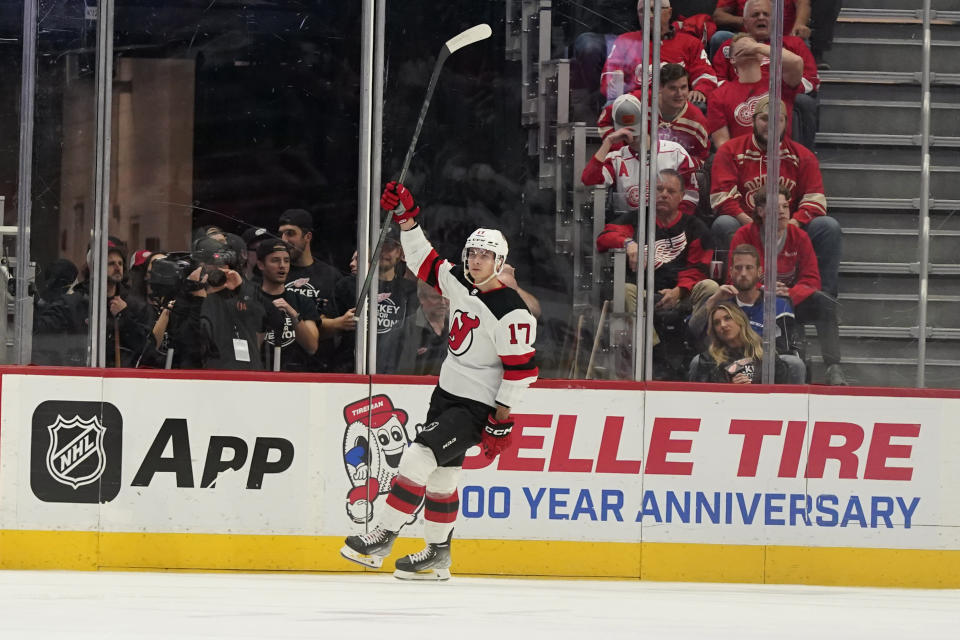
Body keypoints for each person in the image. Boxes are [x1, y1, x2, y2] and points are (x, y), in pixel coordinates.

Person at [341, 181, 538, 581]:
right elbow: (421, 258)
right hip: (446, 395)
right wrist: (407, 219)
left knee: (417, 457)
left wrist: (501, 419)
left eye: (486, 255)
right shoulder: (459, 280)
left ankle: (384, 535)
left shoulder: (512, 310)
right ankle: (437, 553)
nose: (477, 260)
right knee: (444, 476)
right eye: (473, 253)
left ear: (500, 262)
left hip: (476, 406)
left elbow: (521, 372)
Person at [710, 95, 841, 299]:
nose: (770, 125)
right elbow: (722, 198)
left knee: (827, 226)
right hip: (747, 230)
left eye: (777, 119)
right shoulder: (730, 151)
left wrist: (790, 226)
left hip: (790, 230)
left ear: (786, 124)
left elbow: (815, 200)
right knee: (724, 223)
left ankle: (823, 300)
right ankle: (736, 295)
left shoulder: (803, 156)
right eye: (764, 119)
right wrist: (752, 225)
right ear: (753, 121)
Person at [596, 169, 715, 379]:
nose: (664, 194)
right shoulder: (635, 219)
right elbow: (604, 238)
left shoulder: (695, 227)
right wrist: (628, 243)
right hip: (644, 296)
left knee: (711, 288)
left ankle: (697, 345)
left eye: (671, 191)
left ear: (681, 196)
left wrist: (679, 292)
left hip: (682, 295)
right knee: (624, 291)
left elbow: (699, 268)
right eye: (659, 189)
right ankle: (655, 354)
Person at [730, 188, 847, 384]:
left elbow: (812, 279)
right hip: (756, 302)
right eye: (776, 207)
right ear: (760, 211)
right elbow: (732, 276)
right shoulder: (744, 235)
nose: (783, 212)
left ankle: (833, 366)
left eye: (785, 206)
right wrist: (761, 290)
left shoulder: (799, 236)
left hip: (791, 301)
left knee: (824, 301)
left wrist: (790, 292)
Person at [711, 0, 820, 149]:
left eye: (766, 14)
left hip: (781, 95)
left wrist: (784, 87)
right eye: (755, 15)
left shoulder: (794, 44)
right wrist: (737, 93)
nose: (761, 18)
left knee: (804, 102)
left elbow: (810, 79)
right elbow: (718, 78)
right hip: (738, 99)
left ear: (775, 20)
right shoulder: (730, 46)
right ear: (745, 21)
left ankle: (802, 156)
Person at [690, 243, 806, 383]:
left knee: (793, 363)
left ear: (759, 271)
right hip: (726, 361)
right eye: (738, 268)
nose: (743, 273)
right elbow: (692, 334)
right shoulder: (720, 303)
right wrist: (713, 300)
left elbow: (782, 348)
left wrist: (746, 365)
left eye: (749, 268)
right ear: (731, 272)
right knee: (698, 361)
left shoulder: (778, 304)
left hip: (763, 363)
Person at [583, 93, 700, 217]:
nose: (632, 135)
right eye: (626, 130)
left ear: (644, 121)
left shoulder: (675, 152)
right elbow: (589, 181)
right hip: (629, 226)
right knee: (609, 237)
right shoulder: (616, 159)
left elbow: (690, 195)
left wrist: (672, 222)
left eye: (635, 128)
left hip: (669, 224)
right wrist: (608, 142)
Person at [279, 208, 355, 370]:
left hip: (320, 369)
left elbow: (343, 326)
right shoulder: (277, 274)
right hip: (279, 365)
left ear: (308, 237)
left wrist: (336, 324)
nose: (284, 240)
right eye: (282, 234)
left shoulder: (330, 276)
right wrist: (336, 323)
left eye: (290, 233)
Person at [600, 0, 718, 104]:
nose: (648, 15)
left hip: (678, 103)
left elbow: (705, 73)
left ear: (669, 12)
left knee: (699, 104)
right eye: (642, 11)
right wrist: (612, 87)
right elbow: (608, 76)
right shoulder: (624, 41)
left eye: (653, 9)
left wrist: (700, 90)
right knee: (613, 105)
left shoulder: (690, 43)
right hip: (636, 104)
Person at [596, 63, 710, 168]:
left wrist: (682, 169)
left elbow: (701, 157)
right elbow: (605, 121)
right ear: (659, 87)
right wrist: (623, 153)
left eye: (684, 87)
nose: (680, 94)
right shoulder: (638, 102)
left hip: (672, 179)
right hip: (634, 168)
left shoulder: (696, 120)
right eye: (672, 88)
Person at [707, 32, 806, 148]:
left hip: (779, 158)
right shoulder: (718, 95)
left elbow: (796, 62)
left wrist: (757, 47)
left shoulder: (779, 85)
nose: (747, 48)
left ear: (762, 56)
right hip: (743, 160)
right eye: (742, 47)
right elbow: (722, 143)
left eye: (749, 46)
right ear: (732, 59)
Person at [257, 239, 321, 372]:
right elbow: (248, 349)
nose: (282, 265)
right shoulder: (251, 299)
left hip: (295, 377)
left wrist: (293, 315)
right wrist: (264, 317)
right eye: (275, 260)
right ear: (261, 265)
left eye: (286, 261)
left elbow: (312, 347)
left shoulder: (301, 301)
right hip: (259, 375)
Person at [689, 303, 790, 383]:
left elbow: (781, 391)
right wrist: (732, 388)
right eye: (717, 323)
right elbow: (704, 397)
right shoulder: (708, 359)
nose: (723, 325)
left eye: (728, 318)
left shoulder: (765, 352)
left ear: (740, 320)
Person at [711, 0, 808, 56]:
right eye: (757, 14)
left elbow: (803, 4)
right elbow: (718, 15)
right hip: (746, 39)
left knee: (801, 42)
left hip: (783, 39)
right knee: (720, 37)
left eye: (765, 14)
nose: (761, 17)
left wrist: (799, 25)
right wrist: (748, 20)